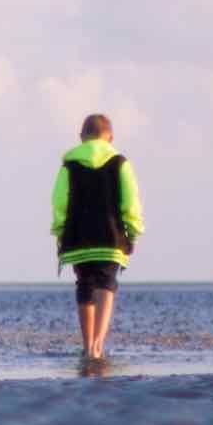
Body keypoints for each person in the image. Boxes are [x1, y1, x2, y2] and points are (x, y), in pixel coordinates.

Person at [50, 113, 145, 361]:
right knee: (106, 285)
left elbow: (59, 201)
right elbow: (130, 201)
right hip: (110, 236)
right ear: (110, 137)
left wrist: (60, 232)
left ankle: (87, 344)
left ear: (81, 138)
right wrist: (133, 231)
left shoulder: (69, 165)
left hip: (78, 238)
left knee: (85, 285)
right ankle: (98, 347)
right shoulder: (120, 163)